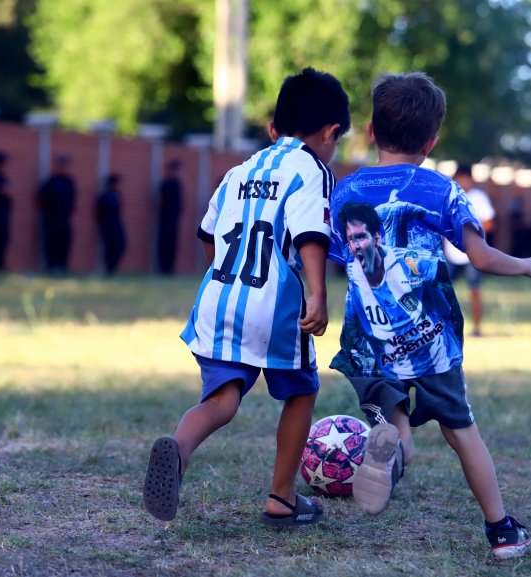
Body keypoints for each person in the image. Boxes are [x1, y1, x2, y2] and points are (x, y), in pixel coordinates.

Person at [327, 72, 531, 560]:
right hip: (430, 339)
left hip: (367, 339)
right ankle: (501, 531)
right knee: (460, 430)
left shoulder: (344, 192)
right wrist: (528, 264)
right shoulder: (442, 189)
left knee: (392, 415)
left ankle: (396, 447)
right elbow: (483, 258)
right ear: (431, 142)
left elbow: (329, 257)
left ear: (370, 131)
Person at [142, 67, 351, 527]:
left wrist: (229, 276)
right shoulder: (313, 169)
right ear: (330, 132)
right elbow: (311, 233)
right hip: (274, 306)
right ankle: (281, 498)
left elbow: (208, 234)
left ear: (273, 128)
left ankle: (177, 453)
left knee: (222, 399)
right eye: (336, 143)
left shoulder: (240, 170)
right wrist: (317, 294)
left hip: (218, 300)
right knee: (301, 390)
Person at [443, 164, 496, 337]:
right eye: (460, 177)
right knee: (442, 290)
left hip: (473, 253)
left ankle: (477, 327)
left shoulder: (478, 198)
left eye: (466, 178)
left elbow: (489, 223)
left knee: (475, 289)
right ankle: (442, 326)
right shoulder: (448, 196)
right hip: (451, 252)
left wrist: (469, 229)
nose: (463, 181)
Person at [39, 154, 77, 275]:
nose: (63, 167)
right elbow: (42, 198)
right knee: (51, 243)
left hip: (65, 218)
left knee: (64, 243)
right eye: (62, 164)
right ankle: (51, 266)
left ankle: (62, 266)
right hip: (52, 218)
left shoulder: (70, 181)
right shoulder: (51, 181)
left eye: (65, 164)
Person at [95, 173, 127, 275]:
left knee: (121, 244)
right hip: (107, 225)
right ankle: (110, 270)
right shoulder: (104, 197)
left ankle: (113, 267)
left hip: (117, 223)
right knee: (109, 247)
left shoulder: (118, 195)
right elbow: (98, 212)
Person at [157, 159, 183, 275]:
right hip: (166, 218)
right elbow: (160, 201)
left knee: (171, 243)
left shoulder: (177, 183)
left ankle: (169, 268)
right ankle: (164, 268)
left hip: (173, 219)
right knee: (165, 243)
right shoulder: (166, 183)